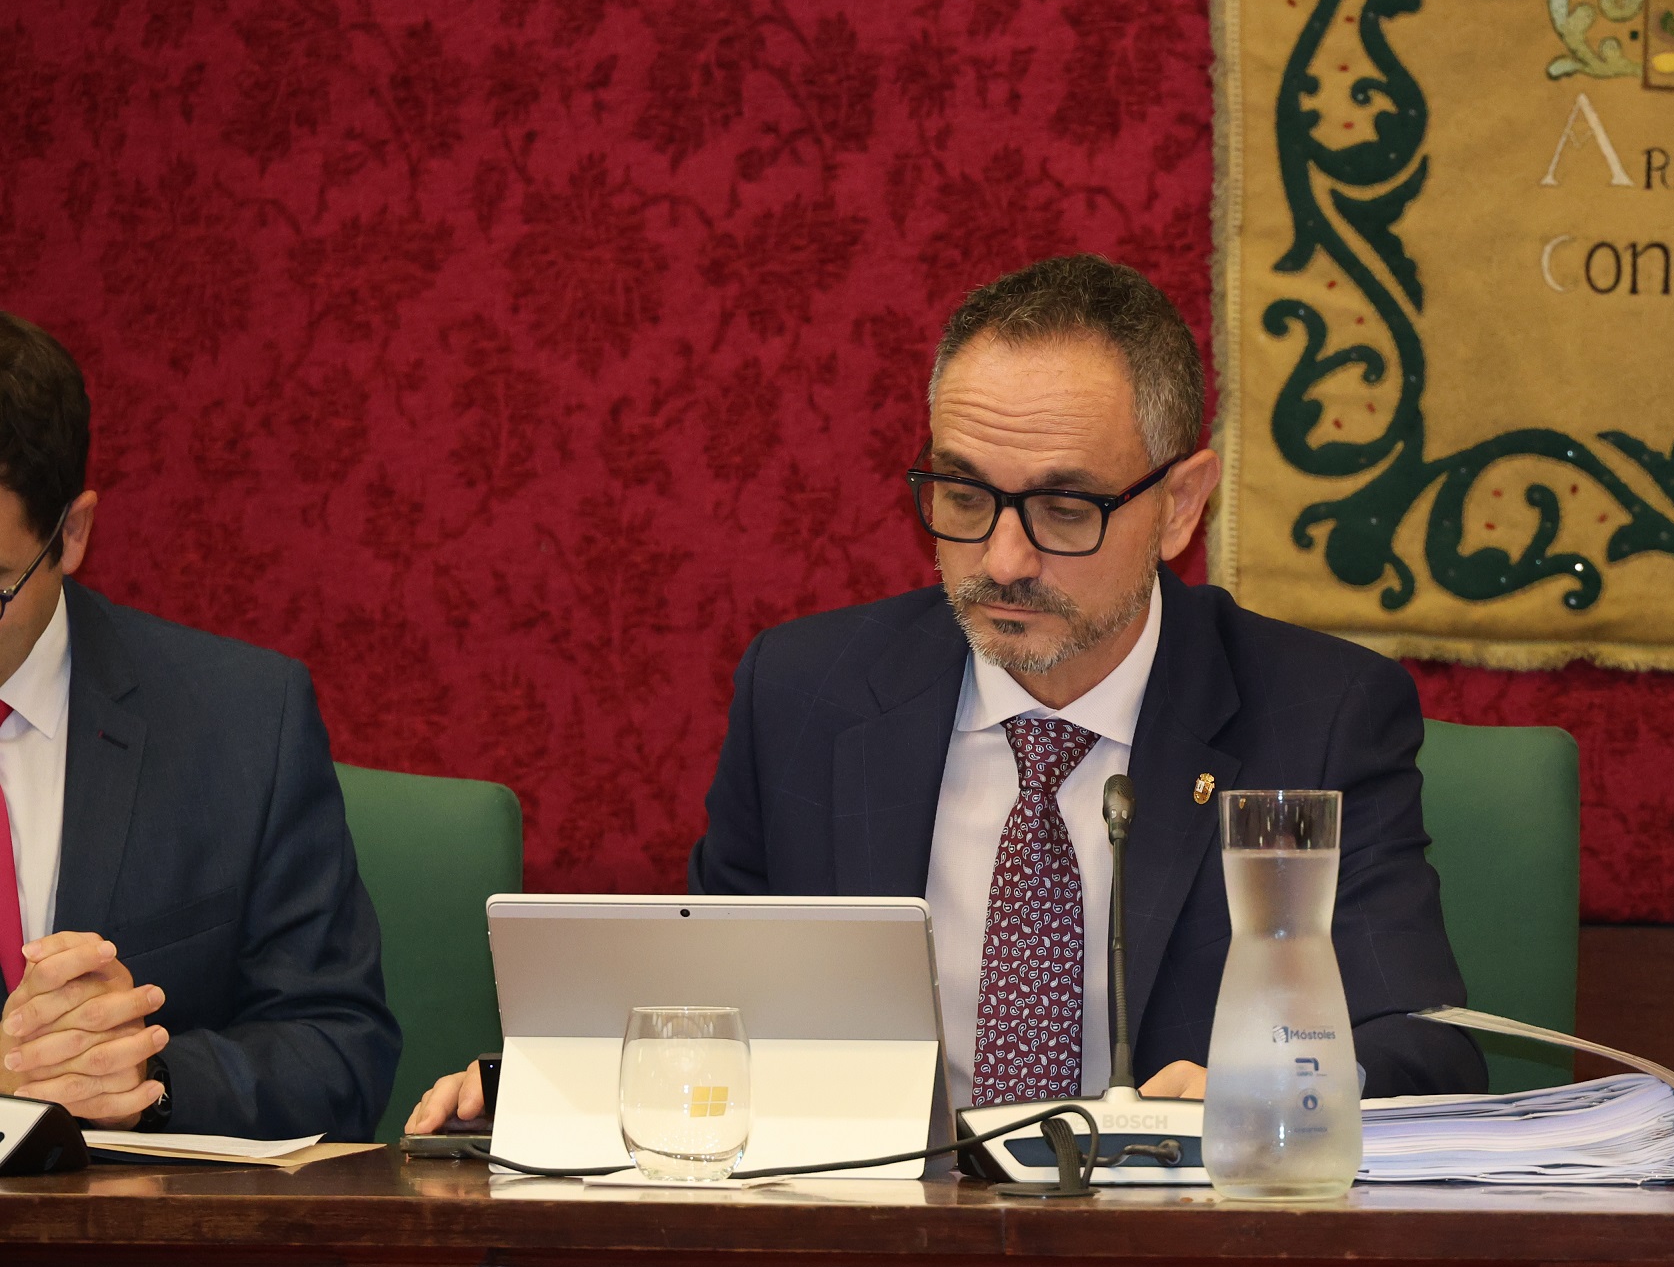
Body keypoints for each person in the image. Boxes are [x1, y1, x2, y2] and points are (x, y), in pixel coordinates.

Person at [408, 254, 1481, 1134]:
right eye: (964, 495)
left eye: (1065, 508)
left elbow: (1424, 1053)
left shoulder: (1320, 717)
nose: (1004, 559)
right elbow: (716, 1018)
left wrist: (1276, 1092)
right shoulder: (807, 696)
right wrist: (541, 1091)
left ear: (1180, 504)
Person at [0, 312, 398, 1140]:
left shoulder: (245, 725)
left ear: (72, 534)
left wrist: (149, 1078)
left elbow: (340, 1049)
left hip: (139, 1219)